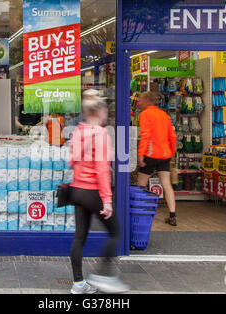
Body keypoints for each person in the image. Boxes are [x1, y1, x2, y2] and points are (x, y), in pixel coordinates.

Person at [68, 90, 129, 294]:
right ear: (99, 112)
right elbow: (102, 170)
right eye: (105, 110)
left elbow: (72, 161)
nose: (107, 114)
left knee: (79, 237)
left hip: (77, 190)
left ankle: (78, 284)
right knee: (115, 232)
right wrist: (108, 200)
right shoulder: (101, 134)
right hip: (93, 192)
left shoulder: (77, 131)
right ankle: (103, 275)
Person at [136, 91, 178, 226]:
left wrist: (140, 154)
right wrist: (172, 153)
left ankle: (138, 211)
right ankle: (172, 215)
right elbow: (172, 136)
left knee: (141, 184)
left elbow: (145, 135)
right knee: (166, 184)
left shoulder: (144, 114)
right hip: (165, 154)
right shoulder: (164, 115)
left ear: (148, 101)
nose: (138, 102)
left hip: (150, 154)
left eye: (140, 100)